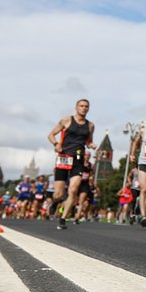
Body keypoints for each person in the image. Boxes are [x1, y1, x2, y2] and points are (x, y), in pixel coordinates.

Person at [47, 98, 97, 230]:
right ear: (76, 108)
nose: (84, 108)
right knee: (58, 193)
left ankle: (63, 219)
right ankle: (55, 202)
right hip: (64, 157)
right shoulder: (66, 120)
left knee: (73, 189)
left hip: (78, 159)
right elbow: (51, 135)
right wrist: (56, 144)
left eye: (86, 106)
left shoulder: (90, 125)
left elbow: (88, 140)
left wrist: (91, 144)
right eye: (81, 106)